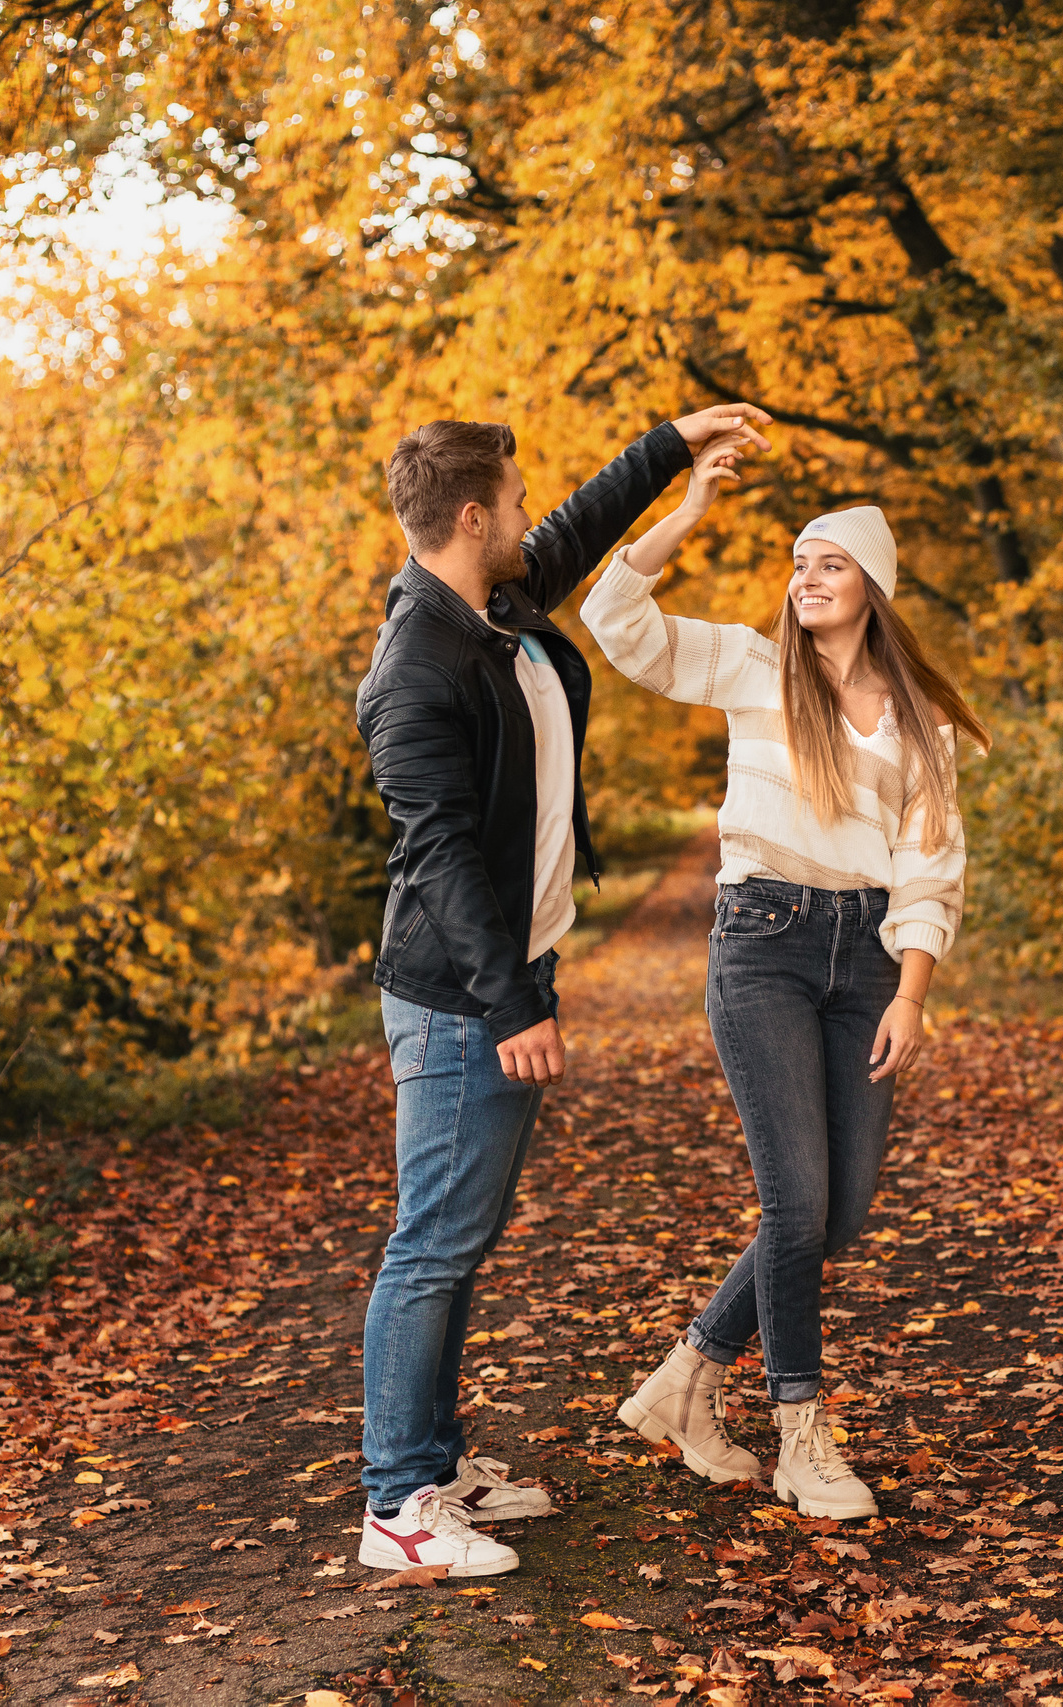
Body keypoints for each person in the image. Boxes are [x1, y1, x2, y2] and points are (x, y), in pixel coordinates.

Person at [352, 402, 772, 1576]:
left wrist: (670, 447)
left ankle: (433, 1463)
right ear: (473, 516)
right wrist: (510, 1005)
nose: (534, 520)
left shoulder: (487, 607)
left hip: (505, 976)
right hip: (456, 998)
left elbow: (581, 527)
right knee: (431, 1245)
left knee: (460, 1239)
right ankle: (397, 1507)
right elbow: (433, 855)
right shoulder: (416, 667)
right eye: (518, 504)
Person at [584, 430, 987, 1520]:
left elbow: (929, 867)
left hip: (864, 964)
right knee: (794, 1201)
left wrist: (910, 989)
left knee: (840, 1206)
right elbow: (615, 625)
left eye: (829, 563)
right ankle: (803, 1433)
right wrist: (687, 513)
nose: (804, 579)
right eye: (798, 562)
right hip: (760, 944)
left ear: (873, 589)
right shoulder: (755, 667)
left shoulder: (921, 724)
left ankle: (686, 1380)